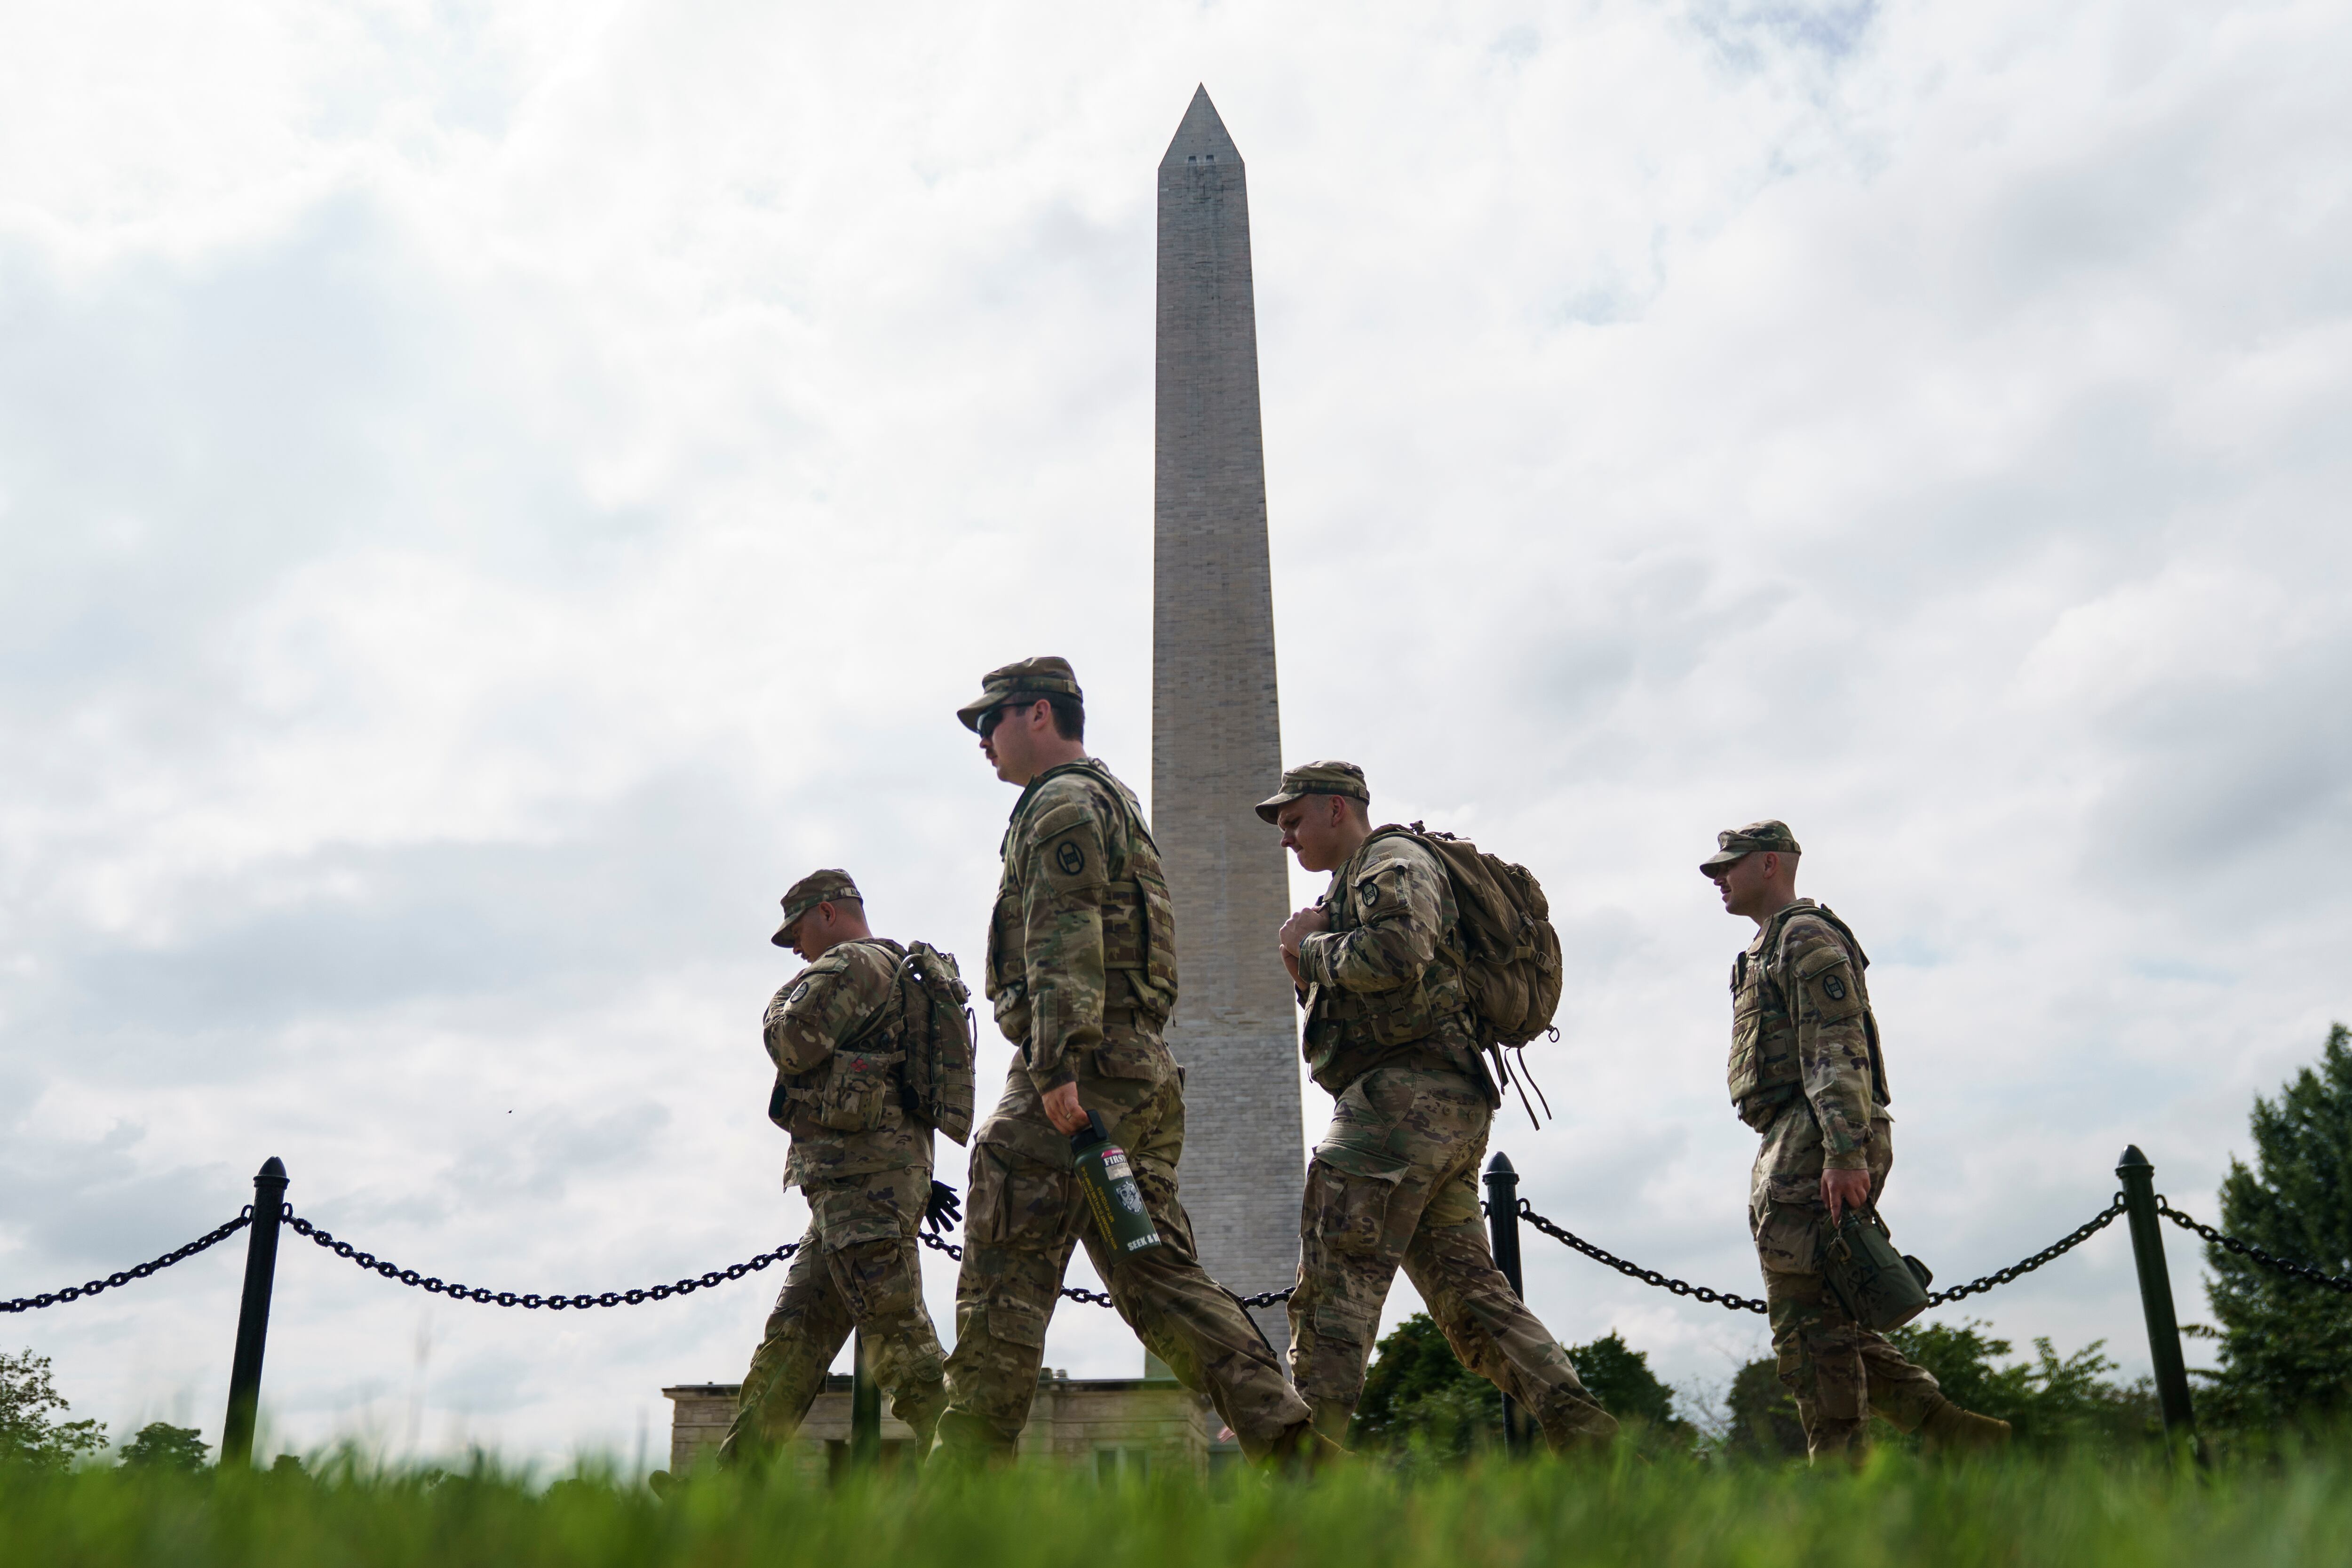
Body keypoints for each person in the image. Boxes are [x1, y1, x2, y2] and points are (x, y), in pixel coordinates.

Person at [933, 656, 1324, 1467]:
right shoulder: (1113, 800)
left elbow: (1064, 937)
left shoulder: (1062, 804)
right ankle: (1296, 1452)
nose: (982, 739)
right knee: (1161, 1282)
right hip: (1137, 1071)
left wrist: (1054, 1068)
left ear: (1040, 714)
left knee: (1002, 1290)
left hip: (1079, 1074)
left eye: (992, 719)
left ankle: (958, 1495)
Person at [1267, 761, 1619, 1452]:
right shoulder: (1357, 880)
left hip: (1400, 1108)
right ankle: (1596, 1446)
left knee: (1336, 1280)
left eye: (1293, 820)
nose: (1285, 837)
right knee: (1474, 1306)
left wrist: (1307, 947)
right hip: (1436, 1111)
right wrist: (1305, 962)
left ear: (1337, 810)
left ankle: (1304, 1469)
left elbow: (1399, 952)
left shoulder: (1388, 861)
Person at [1703, 820, 2010, 1461]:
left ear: (1770, 864)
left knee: (1808, 1331)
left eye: (1729, 864)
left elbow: (1835, 1046)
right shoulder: (1768, 945)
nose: (1718, 878)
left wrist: (1843, 1152)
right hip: (1795, 1134)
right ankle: (1953, 1431)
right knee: (1818, 1315)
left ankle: (1841, 1475)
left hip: (1817, 1134)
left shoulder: (1805, 936)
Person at [718, 869, 951, 1467]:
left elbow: (792, 1043)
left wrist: (778, 1001)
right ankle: (732, 1484)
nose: (795, 948)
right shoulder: (897, 968)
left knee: (901, 1343)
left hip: (859, 1187)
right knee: (793, 1339)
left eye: (796, 931)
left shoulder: (849, 964)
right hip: (864, 1183)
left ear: (827, 913)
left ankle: (975, 1478)